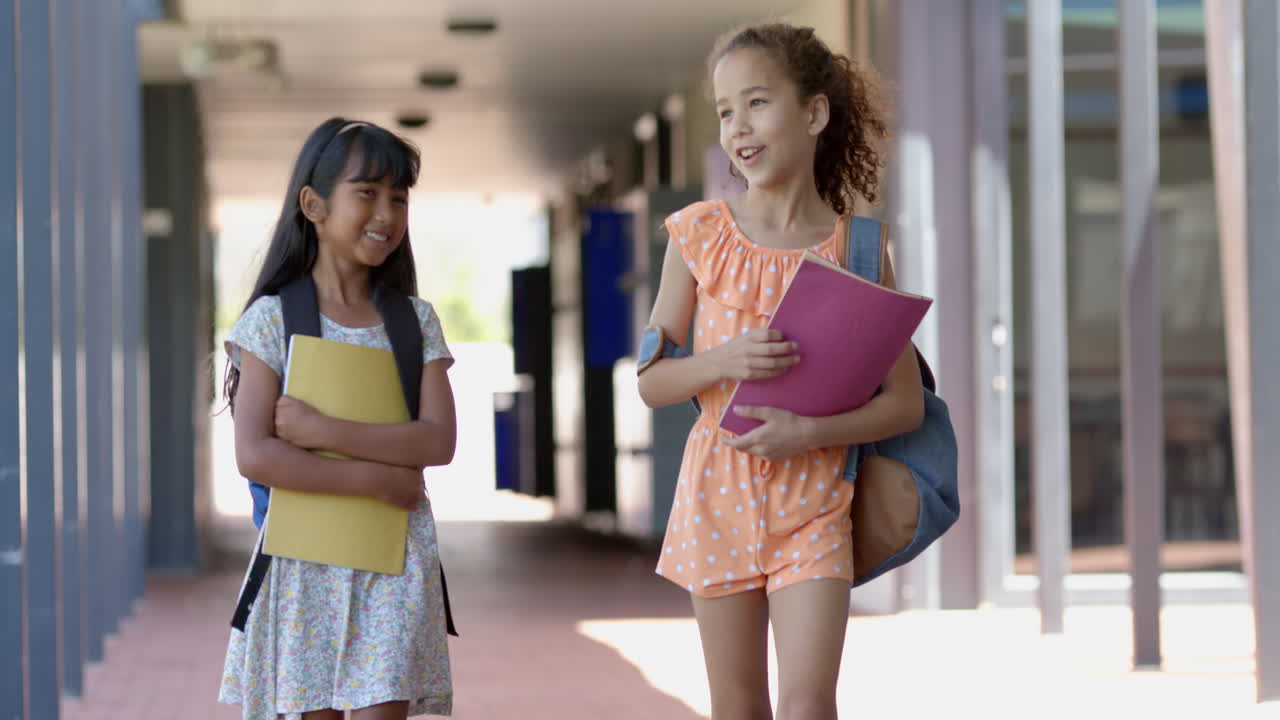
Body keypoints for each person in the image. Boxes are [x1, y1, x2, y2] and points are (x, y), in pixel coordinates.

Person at [636, 22, 924, 720]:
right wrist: (719, 362)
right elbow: (650, 381)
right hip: (714, 499)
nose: (738, 127)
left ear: (815, 112)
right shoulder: (697, 235)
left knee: (807, 705)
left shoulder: (860, 248)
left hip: (817, 503)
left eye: (757, 103)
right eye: (726, 110)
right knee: (737, 707)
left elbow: (904, 405)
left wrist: (810, 430)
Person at [218, 118, 456, 720]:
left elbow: (438, 439)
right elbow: (256, 454)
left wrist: (326, 434)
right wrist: (376, 478)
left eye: (398, 198)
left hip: (393, 567)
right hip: (303, 569)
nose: (386, 213)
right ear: (314, 205)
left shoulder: (415, 321)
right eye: (368, 193)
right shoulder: (272, 322)